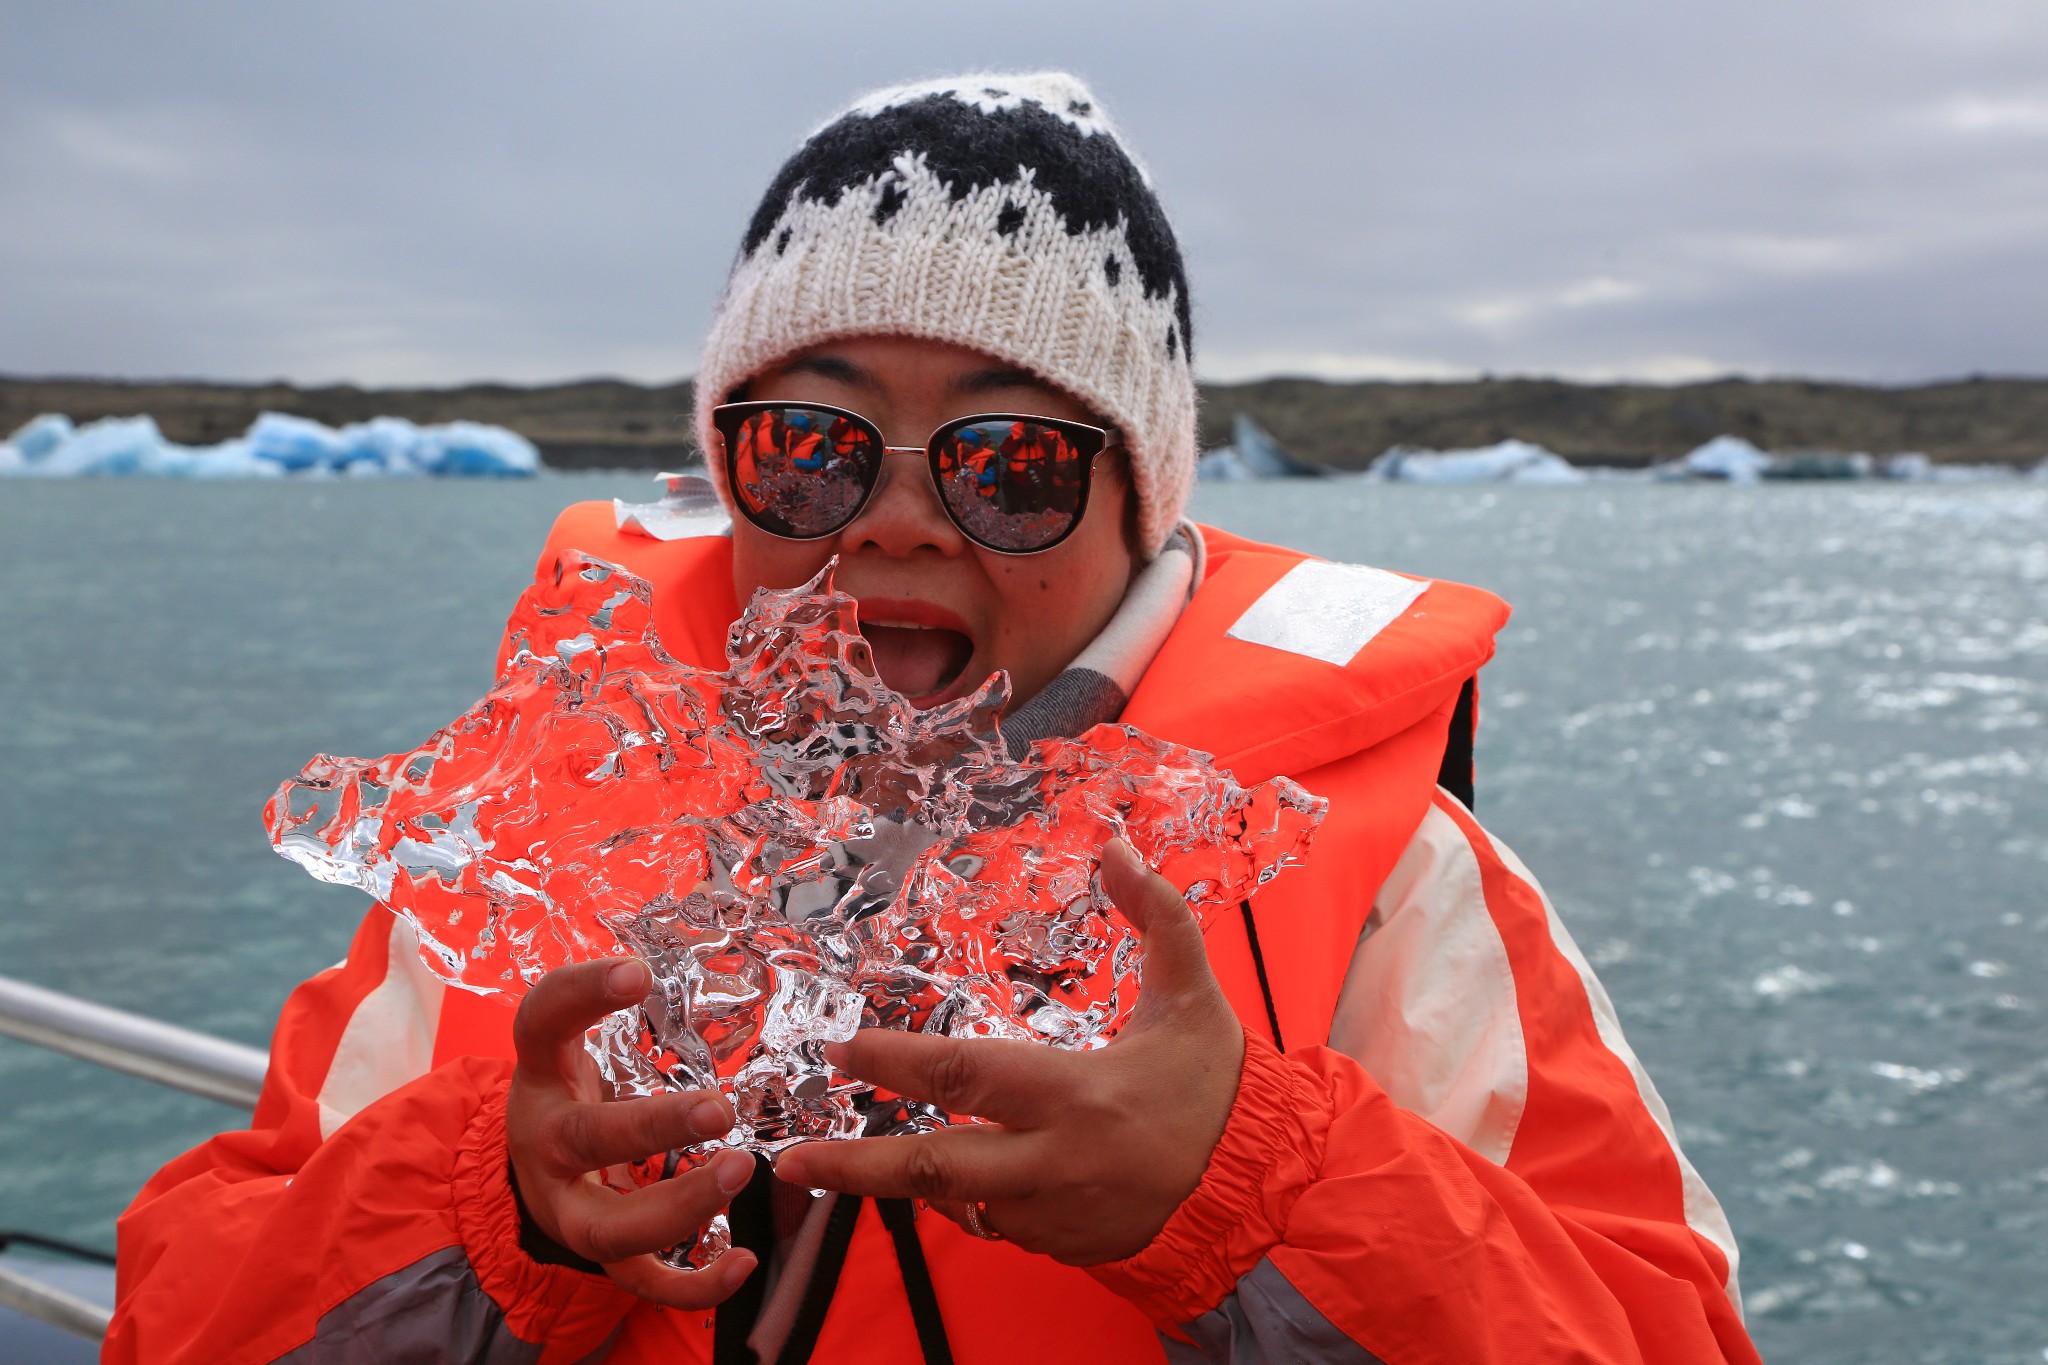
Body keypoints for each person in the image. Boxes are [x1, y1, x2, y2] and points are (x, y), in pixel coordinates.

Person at [108, 73, 1761, 1364]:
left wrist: (1252, 1186)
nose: (892, 521)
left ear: (1141, 508)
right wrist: (499, 1209)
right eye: (810, 446)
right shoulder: (545, 835)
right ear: (730, 471)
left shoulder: (1392, 881)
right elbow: (189, 1323)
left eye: (1013, 462)